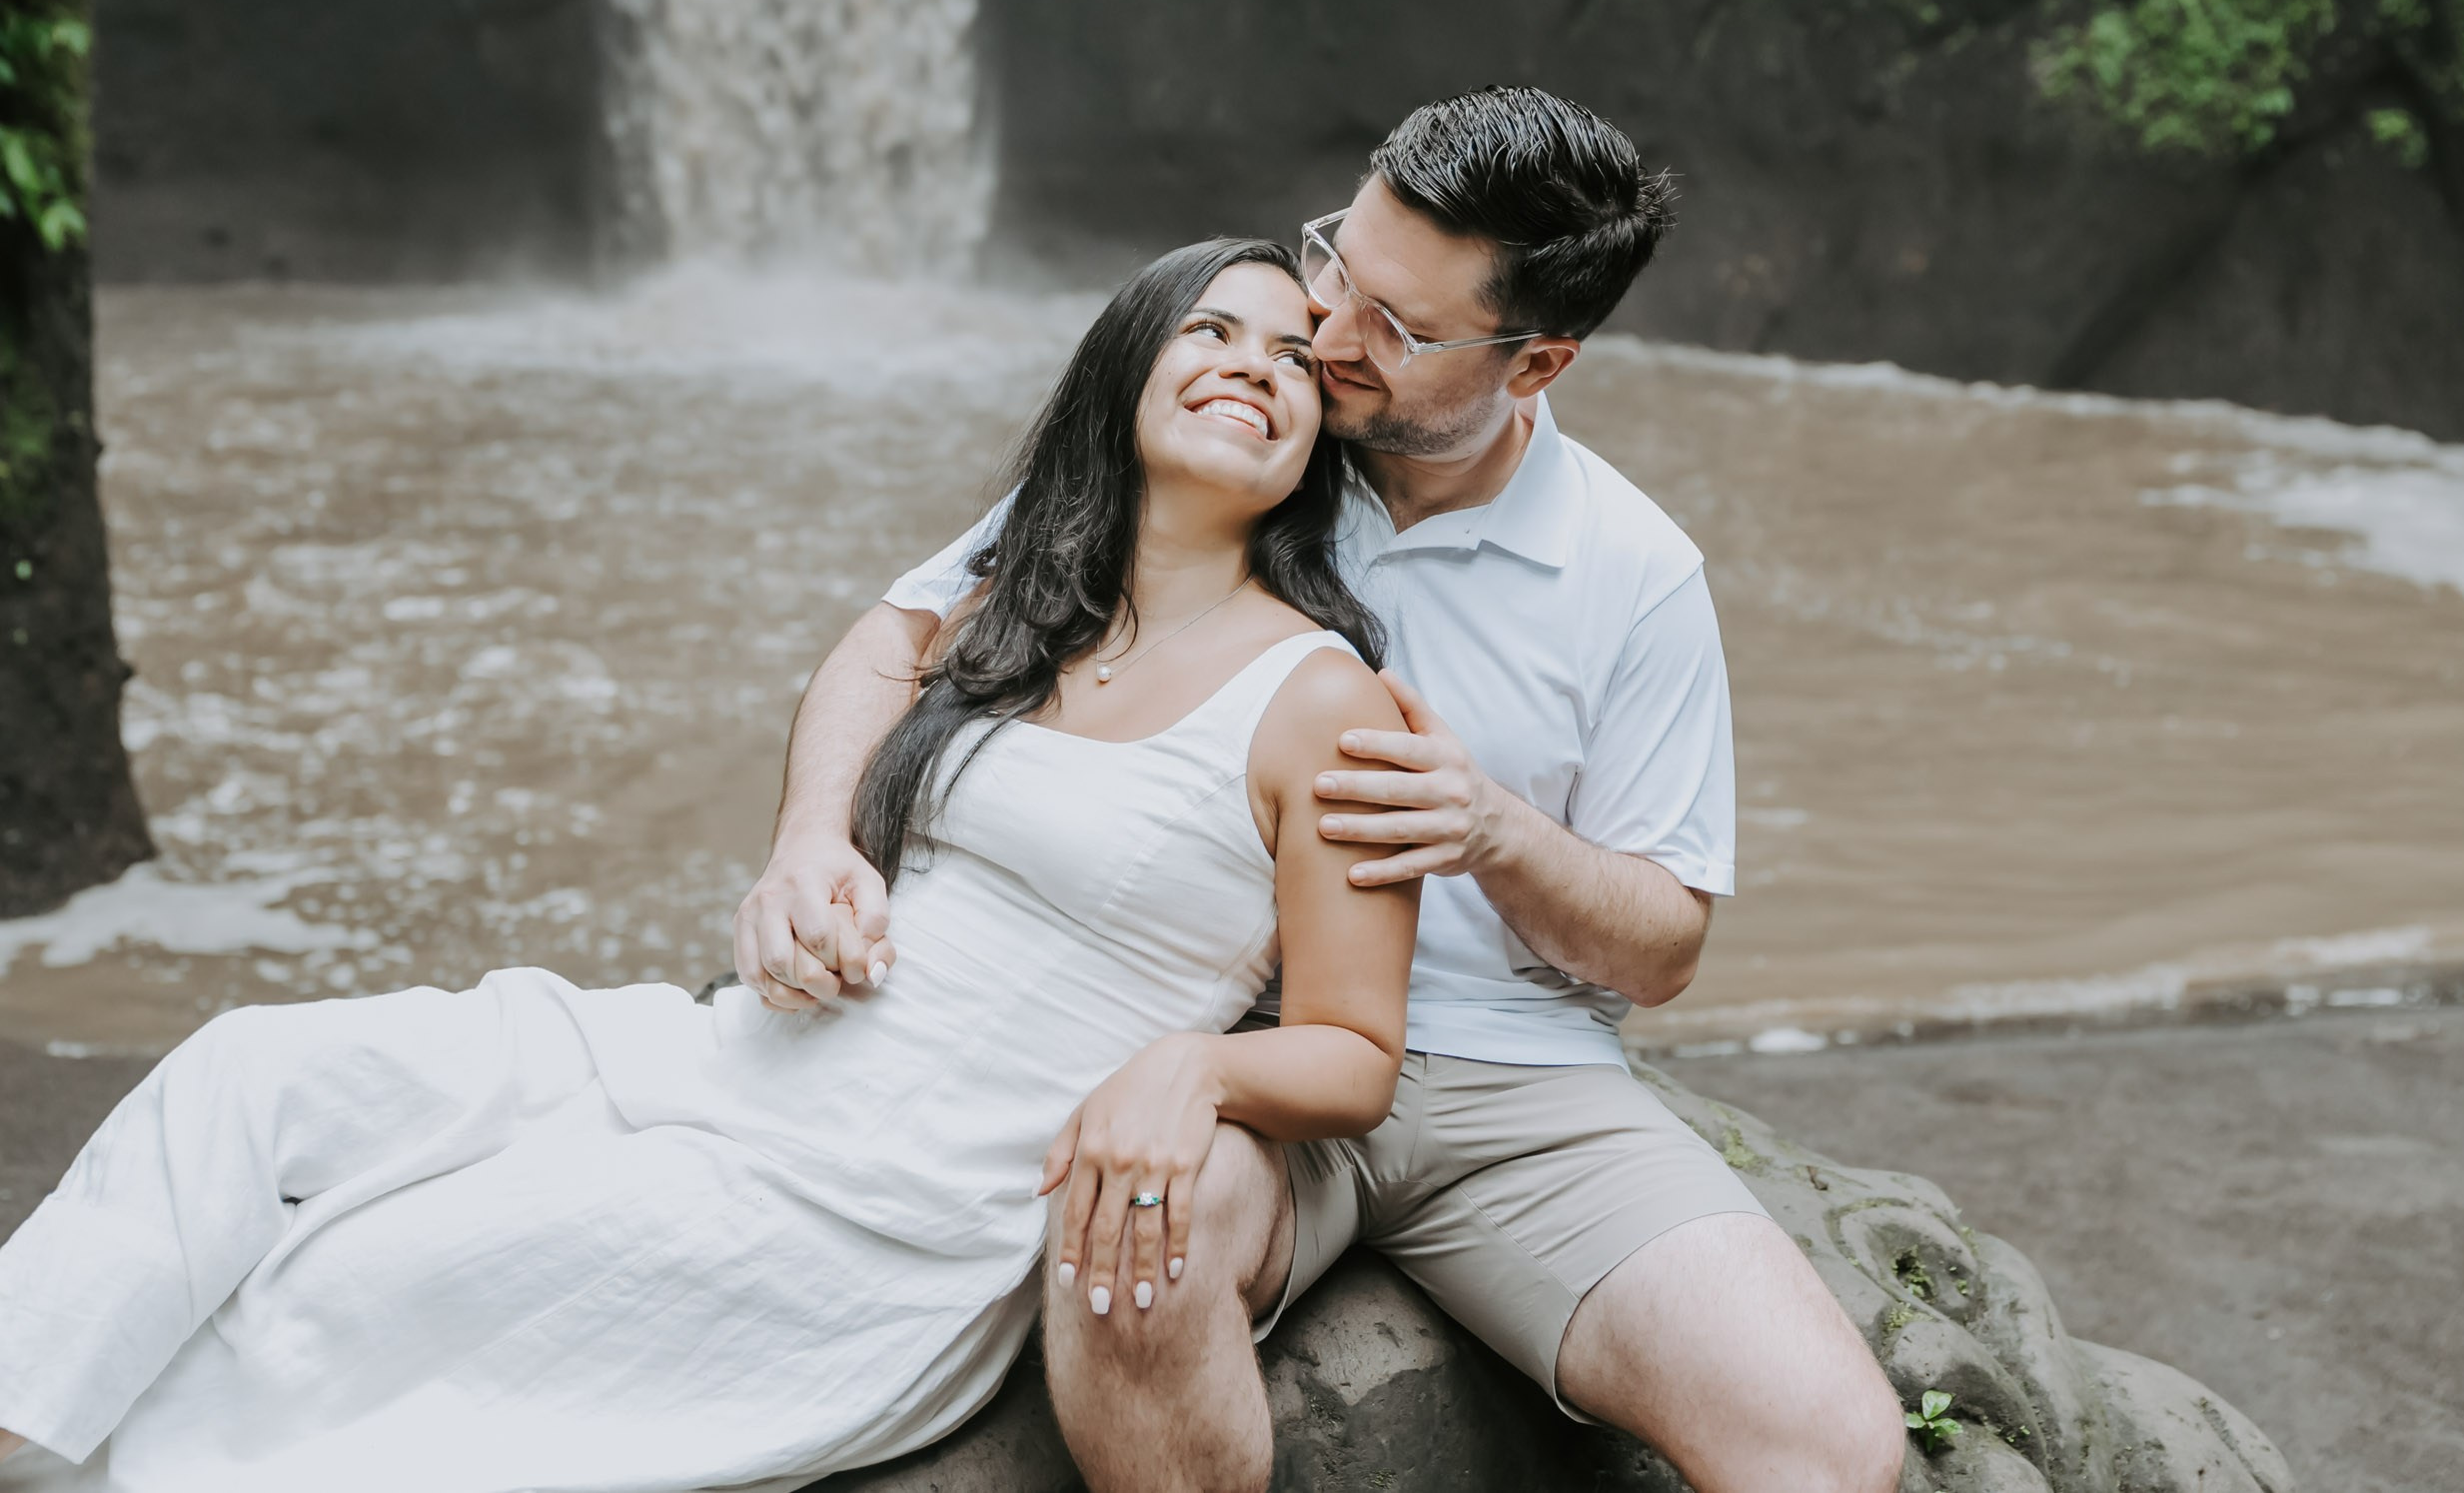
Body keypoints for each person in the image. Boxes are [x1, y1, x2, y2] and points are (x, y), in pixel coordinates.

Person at [0, 240, 1423, 1493]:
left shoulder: (1319, 699)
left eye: (1295, 359)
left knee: (365, 1280)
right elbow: (880, 651)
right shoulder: (1028, 602)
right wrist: (809, 852)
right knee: (251, 1075)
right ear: (1125, 369)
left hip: (879, 1198)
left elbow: (1357, 1052)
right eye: (1211, 330)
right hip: (713, 1059)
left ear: (1317, 441)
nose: (1255, 367)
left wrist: (1197, 1070)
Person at [736, 89, 1907, 1493]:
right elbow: (906, 631)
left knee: (1834, 1451)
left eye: (1397, 326)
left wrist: (1495, 833)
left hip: (1511, 1084)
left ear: (1537, 362)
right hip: (1242, 1048)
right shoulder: (1240, 436)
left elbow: (1663, 949)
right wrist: (809, 838)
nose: (1329, 329)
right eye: (1335, 261)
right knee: (1129, 1261)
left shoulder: (1636, 574)